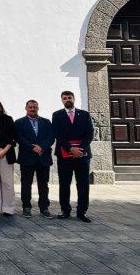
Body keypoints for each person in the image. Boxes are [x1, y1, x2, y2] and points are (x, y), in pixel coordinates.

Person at [52, 91, 94, 223]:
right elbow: (57, 134)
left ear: (74, 99)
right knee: (64, 184)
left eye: (69, 97)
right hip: (64, 155)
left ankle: (82, 212)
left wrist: (79, 149)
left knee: (83, 184)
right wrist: (70, 149)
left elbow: (90, 133)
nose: (67, 100)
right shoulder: (57, 115)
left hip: (82, 155)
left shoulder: (85, 114)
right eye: (64, 98)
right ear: (61, 100)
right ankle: (65, 210)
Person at [15, 99, 54, 219]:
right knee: (26, 183)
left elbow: (51, 137)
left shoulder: (46, 122)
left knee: (43, 184)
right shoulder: (19, 122)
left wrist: (41, 146)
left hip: (43, 156)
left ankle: (44, 207)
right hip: (27, 157)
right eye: (30, 107)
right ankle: (26, 207)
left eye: (34, 107)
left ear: (38, 108)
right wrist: (32, 147)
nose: (32, 109)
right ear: (26, 108)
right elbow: (19, 138)